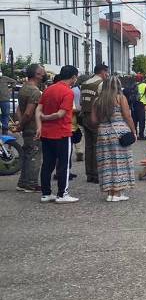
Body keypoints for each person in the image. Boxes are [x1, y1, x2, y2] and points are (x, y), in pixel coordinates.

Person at [36, 65, 79, 203]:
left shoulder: (48, 89)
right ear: (73, 77)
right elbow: (61, 113)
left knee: (47, 164)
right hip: (62, 132)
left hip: (46, 133)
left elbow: (39, 109)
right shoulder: (68, 92)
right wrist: (47, 117)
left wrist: (40, 124)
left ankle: (46, 193)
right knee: (64, 164)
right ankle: (62, 193)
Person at [92, 76, 137, 202]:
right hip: (119, 132)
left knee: (106, 163)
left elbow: (93, 120)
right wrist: (133, 131)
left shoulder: (98, 100)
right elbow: (127, 116)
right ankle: (117, 193)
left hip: (103, 132)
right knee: (119, 162)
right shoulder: (120, 98)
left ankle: (110, 193)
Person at [15, 64, 45, 193]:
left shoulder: (23, 88)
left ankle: (22, 182)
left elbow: (18, 110)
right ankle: (31, 184)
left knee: (27, 155)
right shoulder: (35, 91)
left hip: (26, 126)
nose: (43, 74)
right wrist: (22, 124)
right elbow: (29, 112)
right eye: (41, 72)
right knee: (34, 155)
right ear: (36, 74)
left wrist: (20, 124)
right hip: (33, 126)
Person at [79, 64, 109, 184]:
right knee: (98, 146)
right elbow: (103, 102)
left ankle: (89, 173)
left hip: (85, 116)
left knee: (89, 146)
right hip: (96, 117)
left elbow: (81, 101)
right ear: (102, 72)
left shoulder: (85, 83)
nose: (107, 75)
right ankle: (97, 174)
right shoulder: (101, 84)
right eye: (106, 72)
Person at [134, 73, 146, 139]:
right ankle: (141, 135)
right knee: (141, 120)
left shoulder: (133, 85)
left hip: (134, 104)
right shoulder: (145, 85)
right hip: (142, 104)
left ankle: (135, 134)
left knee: (134, 120)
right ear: (142, 79)